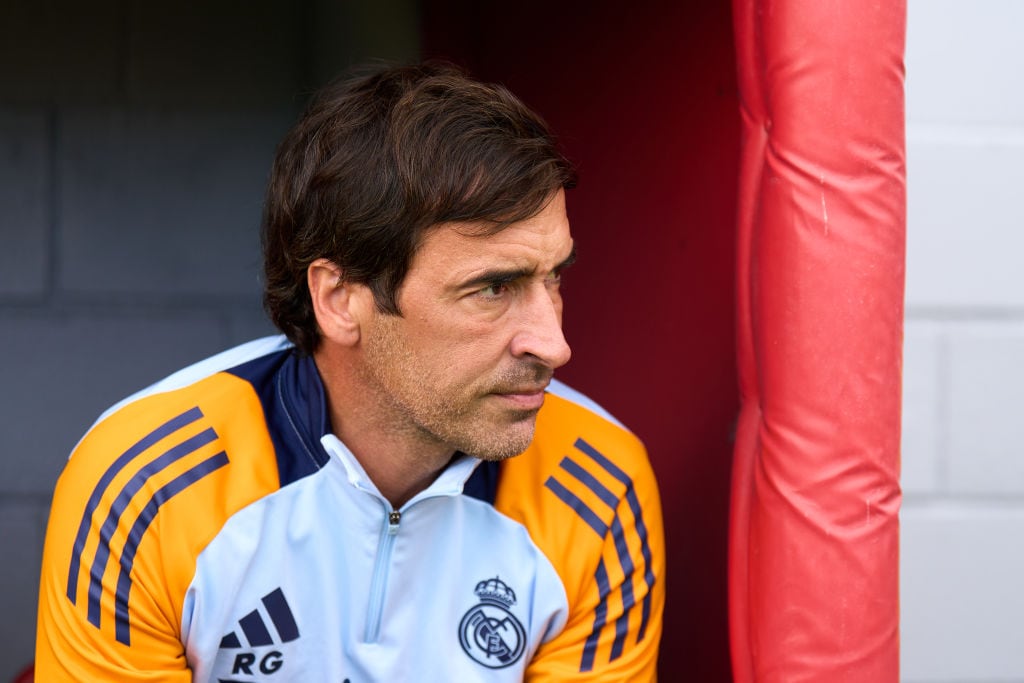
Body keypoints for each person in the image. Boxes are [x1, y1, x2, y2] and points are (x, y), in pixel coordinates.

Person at [36, 61, 665, 681]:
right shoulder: (145, 485)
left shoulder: (600, 488)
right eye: (493, 288)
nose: (553, 345)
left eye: (553, 277)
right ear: (339, 299)